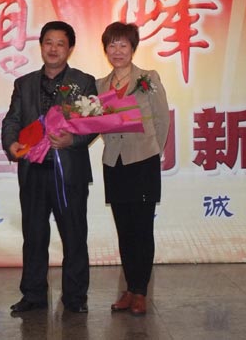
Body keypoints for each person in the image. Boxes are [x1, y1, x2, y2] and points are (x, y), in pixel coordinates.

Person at [1, 21, 97, 313]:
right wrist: (11, 144)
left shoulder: (84, 81)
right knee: (34, 236)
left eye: (60, 44)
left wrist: (72, 140)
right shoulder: (24, 83)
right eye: (48, 43)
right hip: (34, 170)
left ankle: (75, 298)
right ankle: (33, 295)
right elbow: (12, 119)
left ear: (70, 48)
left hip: (68, 172)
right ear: (41, 45)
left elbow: (93, 123)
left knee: (74, 236)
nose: (53, 49)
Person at [96, 21, 170, 315]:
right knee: (124, 230)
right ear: (105, 49)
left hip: (143, 162)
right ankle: (128, 289)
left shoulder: (148, 78)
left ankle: (140, 291)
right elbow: (98, 122)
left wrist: (150, 150)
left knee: (142, 229)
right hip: (114, 162)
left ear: (133, 48)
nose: (117, 51)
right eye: (112, 45)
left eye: (123, 45)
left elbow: (162, 120)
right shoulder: (100, 85)